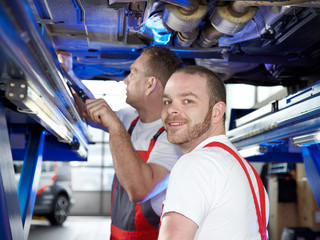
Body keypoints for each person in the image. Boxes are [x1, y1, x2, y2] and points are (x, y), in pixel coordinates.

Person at [58, 47, 183, 239]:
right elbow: (88, 109)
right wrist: (68, 73)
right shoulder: (130, 118)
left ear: (150, 85)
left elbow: (140, 190)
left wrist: (115, 127)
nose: (125, 80)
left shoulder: (172, 137)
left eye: (133, 73)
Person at [158, 65, 270, 240]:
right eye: (167, 101)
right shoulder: (243, 169)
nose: (171, 109)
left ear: (217, 112)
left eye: (188, 101)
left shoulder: (197, 164)